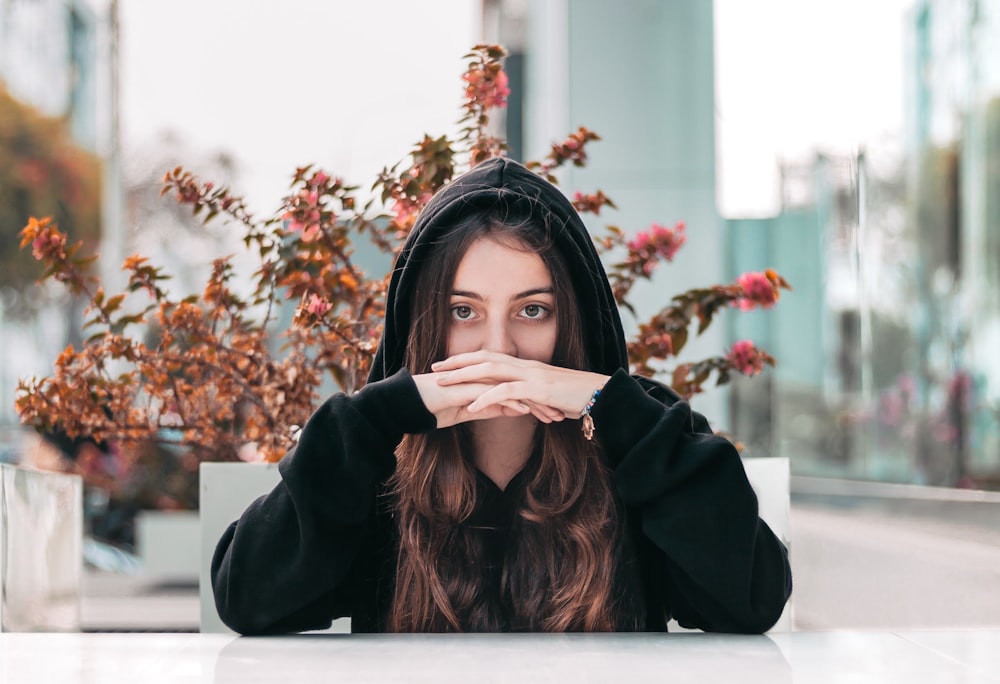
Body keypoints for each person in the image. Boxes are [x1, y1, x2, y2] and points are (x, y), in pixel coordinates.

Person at [211, 157, 792, 634]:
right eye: (463, 312)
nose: (499, 348)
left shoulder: (636, 441)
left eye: (532, 311)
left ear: (576, 323)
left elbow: (751, 602)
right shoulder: (377, 466)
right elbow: (248, 600)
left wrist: (612, 405)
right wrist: (379, 413)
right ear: (427, 320)